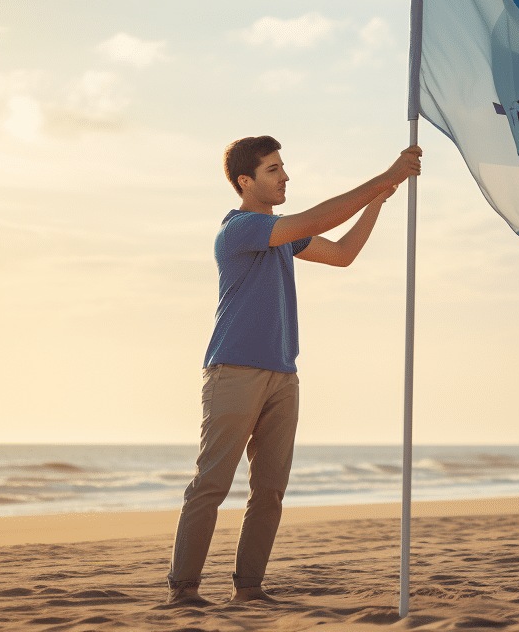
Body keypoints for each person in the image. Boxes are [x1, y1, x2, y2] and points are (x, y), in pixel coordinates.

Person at [166, 135, 422, 606]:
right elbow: (318, 218)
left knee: (270, 491)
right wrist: (385, 176)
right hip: (235, 371)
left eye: (283, 167)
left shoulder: (285, 237)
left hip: (284, 374)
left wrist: (379, 201)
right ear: (245, 182)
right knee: (212, 484)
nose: (285, 176)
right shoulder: (240, 228)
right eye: (273, 169)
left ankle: (249, 588)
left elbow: (343, 253)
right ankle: (183, 590)